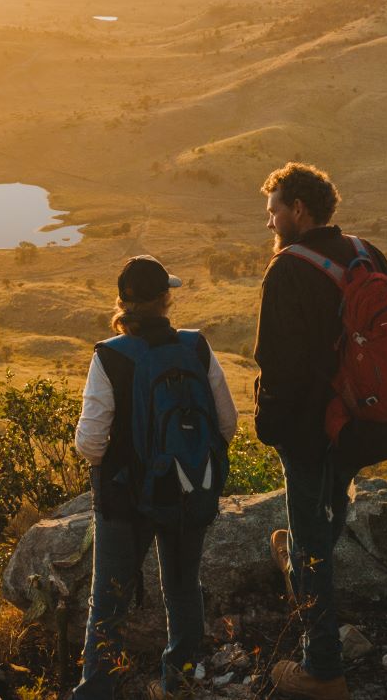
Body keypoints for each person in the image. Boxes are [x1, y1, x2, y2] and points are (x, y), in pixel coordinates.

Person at [256, 163, 387, 700]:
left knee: (313, 540)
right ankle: (300, 557)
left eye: (274, 211)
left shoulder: (288, 269)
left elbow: (276, 362)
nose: (269, 222)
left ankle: (323, 670)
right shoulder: (365, 252)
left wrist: (270, 425)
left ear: (299, 210)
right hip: (362, 423)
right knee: (330, 504)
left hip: (312, 429)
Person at [70, 254, 238, 700]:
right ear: (166, 299)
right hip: (187, 488)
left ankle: (96, 692)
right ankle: (178, 682)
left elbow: (90, 444)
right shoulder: (196, 346)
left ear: (123, 304)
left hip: (123, 501)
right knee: (183, 589)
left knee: (108, 604)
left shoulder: (109, 357)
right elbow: (227, 424)